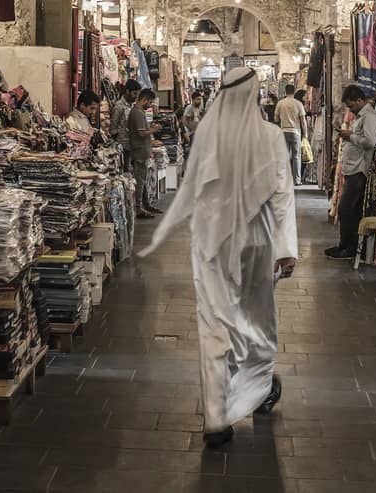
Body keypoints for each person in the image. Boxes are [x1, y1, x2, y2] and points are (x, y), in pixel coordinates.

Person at [144, 67, 298, 449]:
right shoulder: (270, 136)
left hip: (214, 244)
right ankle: (254, 390)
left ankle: (216, 417)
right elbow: (282, 194)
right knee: (257, 320)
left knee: (214, 324)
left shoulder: (207, 136)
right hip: (258, 242)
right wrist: (286, 249)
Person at [325, 84, 376, 261]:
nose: (350, 109)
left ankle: (348, 247)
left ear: (359, 100)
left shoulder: (369, 116)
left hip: (359, 170)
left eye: (351, 105)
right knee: (351, 210)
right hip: (353, 169)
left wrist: (350, 136)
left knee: (346, 209)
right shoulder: (360, 116)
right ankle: (347, 246)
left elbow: (370, 141)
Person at [127, 88, 161, 218]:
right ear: (145, 99)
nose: (150, 105)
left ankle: (145, 205)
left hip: (142, 150)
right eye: (150, 102)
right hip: (139, 151)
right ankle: (139, 208)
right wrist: (154, 129)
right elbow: (141, 133)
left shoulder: (139, 111)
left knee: (142, 180)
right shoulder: (137, 113)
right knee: (140, 181)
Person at [275, 83, 306, 185]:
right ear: (294, 92)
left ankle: (284, 179)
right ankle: (297, 179)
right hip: (296, 132)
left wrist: (282, 119)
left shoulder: (280, 103)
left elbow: (276, 118)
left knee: (284, 156)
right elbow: (303, 121)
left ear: (285, 92)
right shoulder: (298, 104)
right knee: (296, 156)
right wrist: (305, 134)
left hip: (284, 131)